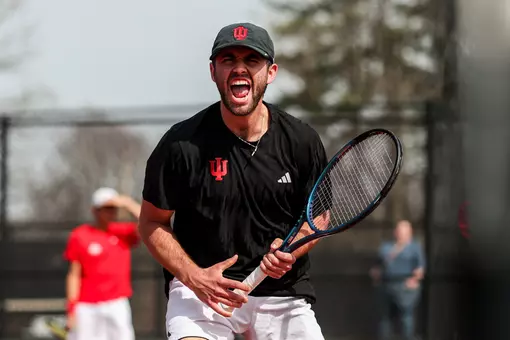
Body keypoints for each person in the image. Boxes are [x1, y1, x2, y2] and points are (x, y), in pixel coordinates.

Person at [139, 22, 329, 340]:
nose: (239, 68)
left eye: (251, 61)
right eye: (228, 60)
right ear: (213, 71)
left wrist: (292, 250)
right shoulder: (180, 144)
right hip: (201, 295)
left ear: (270, 72)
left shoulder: (301, 140)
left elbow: (319, 216)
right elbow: (151, 223)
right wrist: (194, 277)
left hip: (281, 295)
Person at [63, 187, 141, 340]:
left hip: (117, 303)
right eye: (106, 208)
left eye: (114, 208)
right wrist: (71, 309)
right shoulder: (80, 235)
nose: (111, 212)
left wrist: (127, 202)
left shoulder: (123, 233)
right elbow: (74, 274)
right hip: (86, 306)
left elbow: (147, 223)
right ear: (95, 210)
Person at [370, 220, 425, 340]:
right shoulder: (386, 247)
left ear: (410, 232)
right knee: (385, 319)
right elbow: (377, 266)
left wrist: (414, 280)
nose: (401, 233)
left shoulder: (415, 248)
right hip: (386, 286)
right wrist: (376, 276)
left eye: (404, 230)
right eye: (399, 230)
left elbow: (420, 269)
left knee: (406, 319)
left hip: (405, 289)